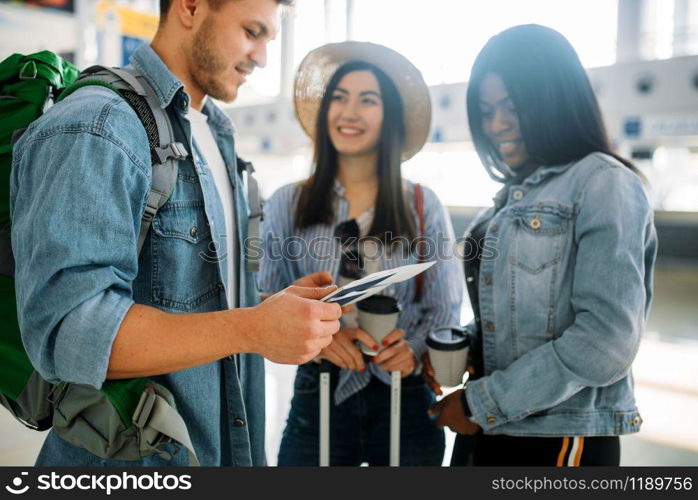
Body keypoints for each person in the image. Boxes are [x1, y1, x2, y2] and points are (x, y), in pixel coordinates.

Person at [10, 0, 343, 466]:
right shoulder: (97, 125)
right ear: (189, 7)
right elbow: (68, 334)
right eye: (252, 31)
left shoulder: (214, 134)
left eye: (270, 38)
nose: (263, 57)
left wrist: (267, 315)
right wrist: (251, 328)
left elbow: (196, 303)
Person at [424, 24, 657, 466]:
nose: (496, 125)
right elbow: (516, 319)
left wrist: (480, 404)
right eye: (487, 110)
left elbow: (606, 340)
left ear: (555, 99)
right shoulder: (514, 196)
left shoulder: (604, 184)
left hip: (560, 437)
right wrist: (460, 347)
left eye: (513, 107)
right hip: (497, 423)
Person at [259, 42, 464, 466]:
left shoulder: (422, 206)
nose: (349, 112)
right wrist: (318, 340)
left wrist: (414, 351)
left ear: (388, 117)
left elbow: (445, 310)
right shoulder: (286, 204)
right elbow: (265, 300)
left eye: (367, 100)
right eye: (339, 97)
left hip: (404, 397)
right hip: (319, 391)